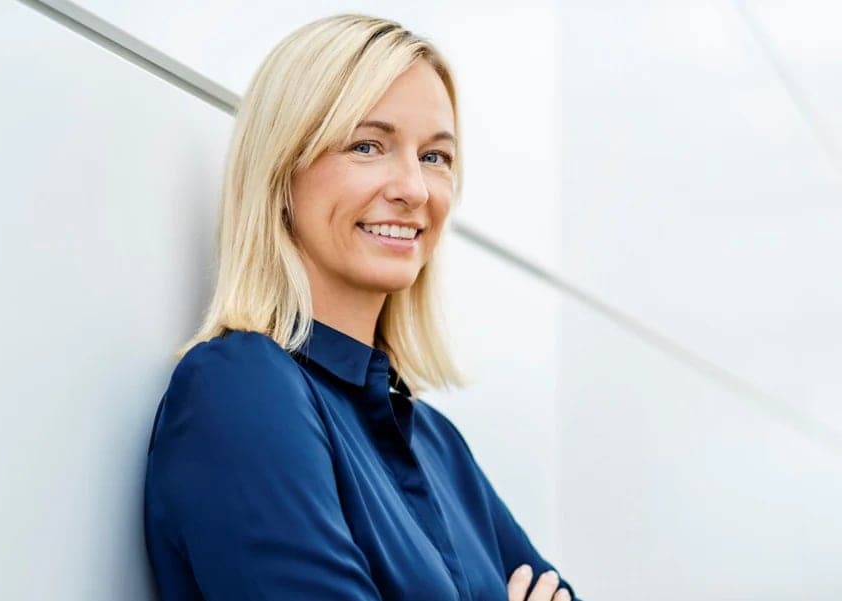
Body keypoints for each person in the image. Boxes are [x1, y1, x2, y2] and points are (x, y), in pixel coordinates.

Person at [143, 13, 579, 601]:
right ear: (282, 169)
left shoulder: (436, 443)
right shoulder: (241, 388)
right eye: (368, 145)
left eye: (435, 157)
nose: (414, 189)